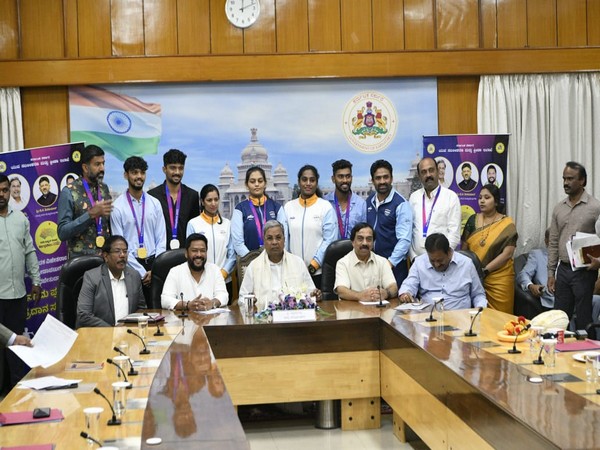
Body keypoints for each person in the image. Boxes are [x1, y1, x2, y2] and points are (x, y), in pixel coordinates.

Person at [0, 174, 41, 391]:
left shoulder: (20, 219)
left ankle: (16, 391)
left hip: (18, 294)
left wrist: (36, 280)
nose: (1, 194)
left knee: (16, 346)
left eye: (5, 190)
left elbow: (29, 251)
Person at [548, 162, 600, 330]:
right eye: (564, 178)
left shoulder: (595, 207)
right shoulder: (558, 208)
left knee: (584, 320)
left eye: (570, 179)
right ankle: (558, 353)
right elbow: (554, 241)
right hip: (563, 270)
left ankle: (588, 355)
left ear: (582, 181)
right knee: (559, 320)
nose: (565, 183)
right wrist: (551, 273)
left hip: (584, 271)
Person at [111, 156, 166, 302]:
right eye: (134, 173)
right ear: (126, 175)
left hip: (154, 265)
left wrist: (155, 269)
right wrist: (142, 273)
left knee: (157, 310)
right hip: (130, 265)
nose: (139, 177)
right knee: (134, 312)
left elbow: (161, 238)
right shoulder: (117, 207)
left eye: (142, 173)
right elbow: (119, 246)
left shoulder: (155, 204)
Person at [239, 220, 321, 311]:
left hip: (293, 318)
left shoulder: (298, 263)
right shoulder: (253, 266)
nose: (274, 242)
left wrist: (315, 295)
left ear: (284, 240)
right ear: (264, 241)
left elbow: (310, 293)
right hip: (264, 320)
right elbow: (242, 298)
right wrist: (250, 301)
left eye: (278, 238)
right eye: (270, 238)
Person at [462, 183, 518, 313]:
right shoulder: (472, 220)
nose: (482, 201)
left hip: (500, 279)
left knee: (501, 318)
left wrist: (485, 271)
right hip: (474, 276)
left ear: (496, 201)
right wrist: (474, 272)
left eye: (487, 197)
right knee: (477, 316)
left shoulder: (507, 224)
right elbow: (465, 250)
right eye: (480, 197)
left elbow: (507, 254)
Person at [398, 233, 487, 310]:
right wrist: (405, 294)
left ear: (449, 252)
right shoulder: (419, 262)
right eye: (432, 261)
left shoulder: (466, 264)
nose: (436, 264)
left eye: (440, 260)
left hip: (460, 317)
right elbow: (409, 284)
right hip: (428, 316)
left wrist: (479, 309)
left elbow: (478, 295)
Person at [284, 165, 336, 288]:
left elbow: (329, 240)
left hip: (318, 272)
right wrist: (290, 265)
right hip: (293, 272)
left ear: (316, 183)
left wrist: (314, 265)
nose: (308, 183)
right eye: (304, 179)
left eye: (312, 180)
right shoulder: (288, 207)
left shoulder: (325, 207)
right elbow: (285, 239)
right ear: (299, 182)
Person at [76, 235, 146, 328]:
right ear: (105, 256)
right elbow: (83, 315)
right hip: (99, 336)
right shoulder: (92, 277)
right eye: (117, 251)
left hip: (128, 334)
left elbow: (141, 309)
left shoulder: (134, 276)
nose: (122, 255)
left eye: (125, 251)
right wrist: (112, 331)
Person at [57, 144, 112, 258]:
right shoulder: (69, 192)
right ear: (85, 168)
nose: (102, 168)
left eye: (103, 163)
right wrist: (90, 215)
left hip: (105, 261)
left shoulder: (104, 189)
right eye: (97, 164)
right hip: (82, 263)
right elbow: (62, 232)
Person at [366, 159, 413, 287]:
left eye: (385, 177)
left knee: (394, 304)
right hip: (372, 265)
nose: (382, 181)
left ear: (391, 178)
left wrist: (389, 263)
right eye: (378, 178)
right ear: (373, 180)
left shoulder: (401, 204)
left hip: (394, 267)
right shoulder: (368, 201)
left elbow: (404, 240)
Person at [186, 184, 235, 302]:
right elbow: (190, 253)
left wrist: (223, 273)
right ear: (202, 202)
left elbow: (232, 254)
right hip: (200, 280)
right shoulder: (193, 224)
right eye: (209, 200)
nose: (213, 203)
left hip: (224, 280)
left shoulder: (227, 224)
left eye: (216, 199)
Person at [408, 157, 461, 261]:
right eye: (423, 172)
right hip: (417, 262)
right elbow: (409, 230)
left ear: (437, 171)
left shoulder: (451, 197)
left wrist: (440, 258)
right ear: (419, 176)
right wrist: (413, 257)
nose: (428, 175)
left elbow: (454, 234)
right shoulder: (414, 197)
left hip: (441, 263)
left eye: (431, 170)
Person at [148, 149, 200, 251]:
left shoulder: (192, 196)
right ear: (164, 169)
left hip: (185, 256)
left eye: (181, 168)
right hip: (159, 255)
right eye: (173, 168)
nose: (177, 172)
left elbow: (195, 228)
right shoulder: (152, 196)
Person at [161, 233, 228, 311]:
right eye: (194, 251)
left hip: (210, 321)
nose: (199, 255)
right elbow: (165, 300)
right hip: (184, 322)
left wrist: (212, 303)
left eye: (202, 251)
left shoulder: (215, 270)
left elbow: (223, 295)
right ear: (186, 253)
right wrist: (187, 305)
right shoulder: (175, 272)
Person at [231, 165, 287, 257]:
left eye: (260, 181)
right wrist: (254, 260)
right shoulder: (240, 209)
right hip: (250, 263)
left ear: (265, 183)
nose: (256, 184)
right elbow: (238, 243)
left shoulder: (276, 208)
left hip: (275, 260)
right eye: (252, 181)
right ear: (246, 184)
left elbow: (284, 239)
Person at [334, 223, 397, 302]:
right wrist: (359, 296)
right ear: (353, 242)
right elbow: (341, 290)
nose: (365, 243)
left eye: (369, 239)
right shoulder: (343, 263)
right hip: (352, 311)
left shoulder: (382, 261)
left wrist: (386, 293)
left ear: (373, 243)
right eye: (360, 239)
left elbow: (393, 287)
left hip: (377, 311)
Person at [324, 159, 366, 239]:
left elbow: (363, 233)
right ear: (333, 179)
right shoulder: (325, 203)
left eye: (348, 176)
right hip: (330, 251)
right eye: (340, 177)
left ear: (352, 178)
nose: (345, 180)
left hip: (353, 250)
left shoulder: (361, 204)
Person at [515, 228, 555, 309]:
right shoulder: (537, 255)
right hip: (551, 302)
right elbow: (523, 274)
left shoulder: (569, 256)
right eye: (554, 240)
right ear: (546, 241)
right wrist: (531, 286)